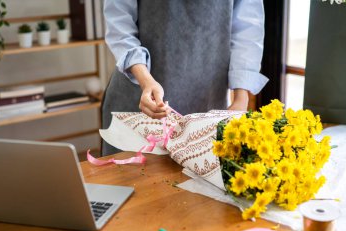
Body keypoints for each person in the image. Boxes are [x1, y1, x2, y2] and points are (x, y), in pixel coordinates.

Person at [102, 0, 268, 155]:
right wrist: (145, 80)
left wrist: (241, 97)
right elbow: (119, 23)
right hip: (138, 100)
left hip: (207, 106)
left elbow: (247, 29)